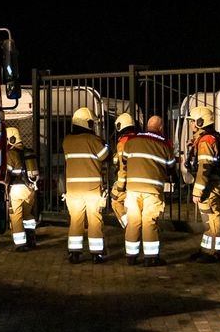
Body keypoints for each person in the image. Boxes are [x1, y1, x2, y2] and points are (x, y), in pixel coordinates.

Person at [118, 116, 177, 267]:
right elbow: (171, 166)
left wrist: (121, 185)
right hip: (152, 190)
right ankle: (150, 258)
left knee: (133, 221)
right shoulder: (165, 145)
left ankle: (131, 256)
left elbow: (124, 163)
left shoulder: (132, 141)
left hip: (132, 189)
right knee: (149, 222)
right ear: (161, 128)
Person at [62, 107, 109, 263]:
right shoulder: (93, 140)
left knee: (76, 220)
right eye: (91, 123)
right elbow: (104, 156)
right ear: (86, 123)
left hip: (73, 190)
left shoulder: (67, 141)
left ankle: (74, 253)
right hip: (92, 188)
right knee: (95, 220)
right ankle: (96, 254)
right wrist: (105, 143)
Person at [188, 106, 220, 263]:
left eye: (192, 121)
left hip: (210, 186)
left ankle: (214, 252)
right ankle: (206, 249)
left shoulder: (206, 140)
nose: (190, 124)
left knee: (212, 218)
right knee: (208, 221)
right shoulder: (209, 138)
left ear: (200, 122)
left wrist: (197, 191)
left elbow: (204, 167)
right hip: (211, 184)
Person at [5, 126, 39, 252]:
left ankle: (20, 244)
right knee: (28, 214)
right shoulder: (28, 152)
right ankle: (31, 239)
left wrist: (4, 185)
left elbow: (7, 174)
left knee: (16, 216)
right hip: (30, 189)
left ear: (11, 139)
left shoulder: (11, 154)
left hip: (16, 189)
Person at [110, 112, 139, 230]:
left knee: (115, 202)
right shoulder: (139, 139)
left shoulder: (123, 143)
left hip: (128, 181)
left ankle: (129, 227)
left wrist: (120, 186)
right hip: (141, 180)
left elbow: (123, 167)